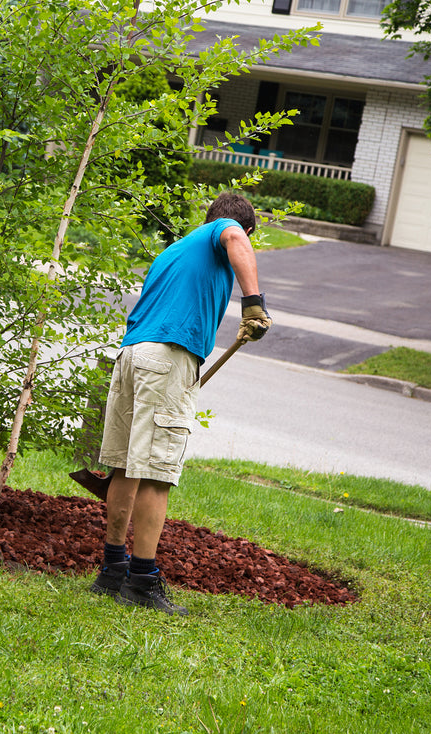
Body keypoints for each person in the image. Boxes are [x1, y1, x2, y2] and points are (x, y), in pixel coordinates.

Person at [88, 191, 271, 614]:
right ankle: (142, 580)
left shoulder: (173, 252)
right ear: (242, 228)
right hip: (167, 357)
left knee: (125, 467)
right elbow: (236, 240)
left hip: (132, 356)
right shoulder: (223, 231)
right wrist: (253, 305)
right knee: (156, 472)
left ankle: (112, 571)